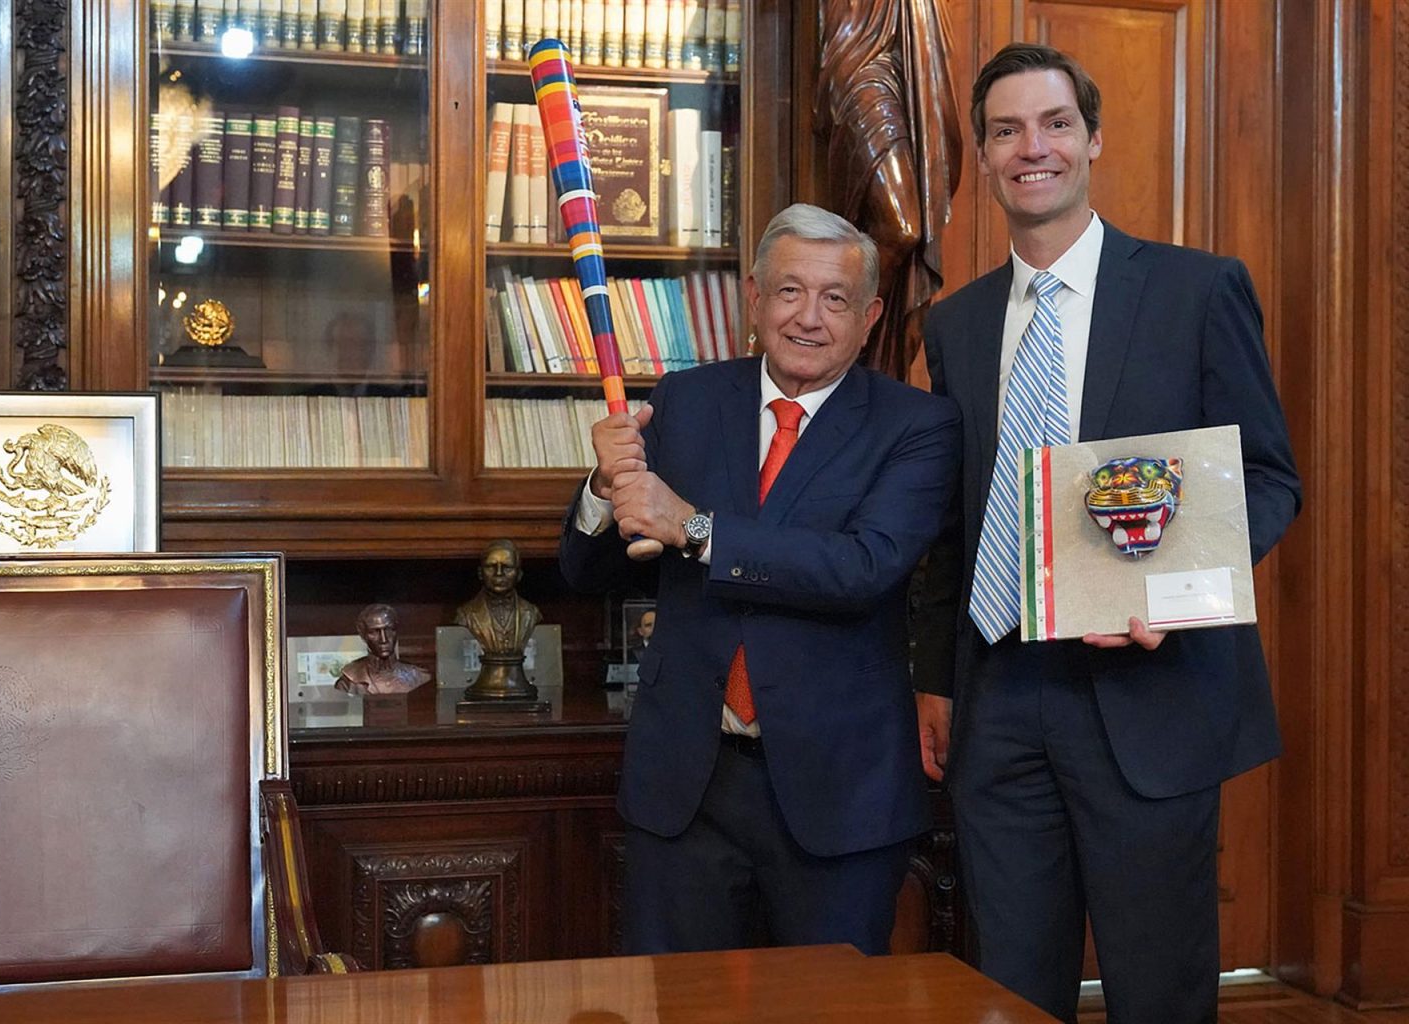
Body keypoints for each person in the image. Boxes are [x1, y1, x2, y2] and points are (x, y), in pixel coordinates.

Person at [911, 43, 1303, 1023]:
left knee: (1158, 992)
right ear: (987, 155)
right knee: (1008, 991)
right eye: (1005, 131)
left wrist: (1164, 592)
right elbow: (955, 519)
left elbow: (1268, 478)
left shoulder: (1195, 290)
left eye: (1052, 124)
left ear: (1093, 138)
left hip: (1147, 692)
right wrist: (932, 677)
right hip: (999, 698)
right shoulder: (953, 324)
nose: (1030, 147)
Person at [560, 203, 961, 956]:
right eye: (788, 292)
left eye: (834, 298)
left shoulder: (917, 426)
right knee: (677, 1013)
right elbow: (590, 571)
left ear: (870, 315)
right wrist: (605, 483)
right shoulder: (686, 401)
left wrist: (695, 528)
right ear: (752, 300)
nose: (809, 318)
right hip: (688, 786)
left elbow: (863, 567)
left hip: (839, 796)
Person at [455, 539, 541, 658]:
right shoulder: (466, 614)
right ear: (480, 573)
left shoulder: (531, 613)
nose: (499, 573)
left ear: (519, 574)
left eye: (507, 567)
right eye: (491, 567)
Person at [334, 603, 429, 695]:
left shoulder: (418, 677)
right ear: (363, 635)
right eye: (374, 632)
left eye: (389, 629)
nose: (384, 639)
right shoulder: (349, 682)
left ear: (396, 631)